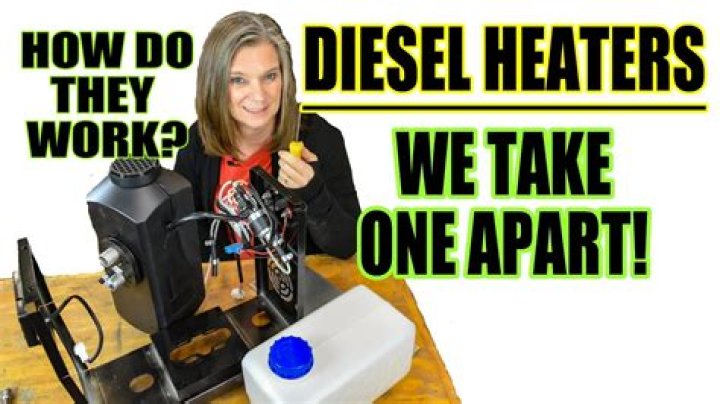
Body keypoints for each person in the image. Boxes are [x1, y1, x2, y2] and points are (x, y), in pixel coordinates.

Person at [174, 11, 360, 260]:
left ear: (285, 78)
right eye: (239, 80)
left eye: (270, 76)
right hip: (231, 280)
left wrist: (313, 193)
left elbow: (348, 245)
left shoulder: (319, 137)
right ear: (215, 84)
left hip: (301, 281)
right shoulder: (197, 142)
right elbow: (185, 241)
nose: (259, 95)